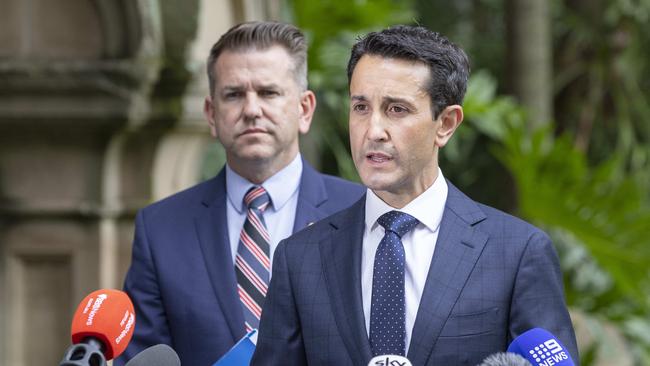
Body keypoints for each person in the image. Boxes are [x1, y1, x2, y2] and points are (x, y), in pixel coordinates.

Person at [251, 25, 579, 366]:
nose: (373, 131)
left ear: (446, 124)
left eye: (397, 109)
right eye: (361, 107)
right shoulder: (300, 258)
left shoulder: (517, 252)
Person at [115, 21, 364, 366]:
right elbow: (143, 356)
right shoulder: (159, 229)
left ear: (304, 109)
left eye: (269, 93)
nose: (251, 110)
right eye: (234, 94)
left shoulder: (361, 212)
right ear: (211, 114)